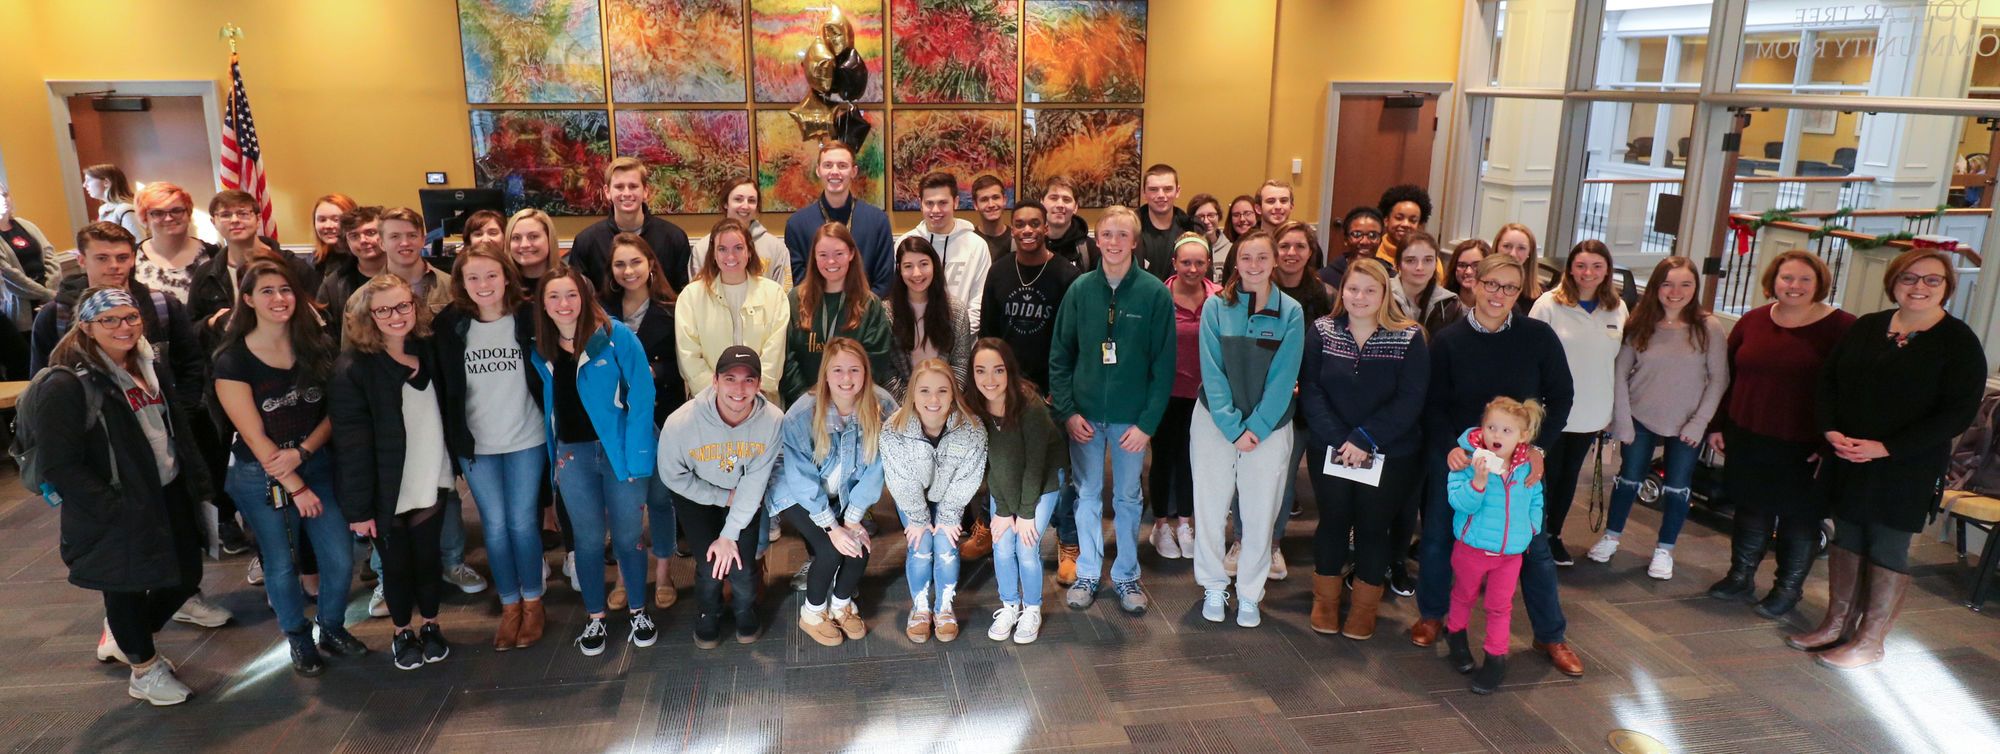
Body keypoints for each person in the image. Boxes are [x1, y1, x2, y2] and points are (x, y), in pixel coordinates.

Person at [1789, 249, 1985, 670]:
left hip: (1905, 465)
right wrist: (1831, 430)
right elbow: (1829, 382)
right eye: (1909, 278)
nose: (1919, 287)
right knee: (1848, 535)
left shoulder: (1959, 342)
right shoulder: (1868, 327)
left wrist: (1886, 447)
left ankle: (1870, 639)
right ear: (1894, 283)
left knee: (1887, 544)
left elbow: (1956, 413)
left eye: (1932, 280)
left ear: (1947, 288)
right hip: (1848, 455)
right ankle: (1837, 622)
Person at [39, 287, 214, 705]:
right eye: (110, 320)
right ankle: (143, 668)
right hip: (116, 504)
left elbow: (172, 427)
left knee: (185, 575)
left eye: (131, 317)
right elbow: (59, 464)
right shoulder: (68, 383)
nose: (124, 327)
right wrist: (111, 506)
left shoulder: (148, 363)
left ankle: (132, 640)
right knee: (126, 588)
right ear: (87, 327)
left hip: (165, 489)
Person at [1414, 254, 1585, 678]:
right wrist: (1447, 449)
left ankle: (1550, 633)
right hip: (1460, 460)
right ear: (1474, 283)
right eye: (1492, 284)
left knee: (1534, 547)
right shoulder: (1449, 340)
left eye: (1509, 287)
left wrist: (1540, 449)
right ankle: (1434, 615)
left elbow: (1562, 396)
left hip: (1520, 466)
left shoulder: (1538, 337)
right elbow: (1431, 404)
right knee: (1437, 536)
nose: (1499, 294)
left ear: (1520, 291)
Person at [210, 258, 358, 677]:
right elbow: (255, 438)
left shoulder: (316, 345)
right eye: (268, 291)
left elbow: (334, 412)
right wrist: (296, 485)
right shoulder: (232, 361)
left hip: (314, 462)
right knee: (280, 562)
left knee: (339, 557)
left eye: (286, 290)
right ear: (248, 300)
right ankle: (298, 638)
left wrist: (305, 453)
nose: (279, 299)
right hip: (260, 474)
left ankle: (331, 627)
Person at [1704, 251, 1856, 617]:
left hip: (1805, 444)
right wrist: (1718, 424)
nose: (1795, 286)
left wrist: (1829, 442)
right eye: (1787, 278)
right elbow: (1729, 376)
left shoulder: (1842, 327)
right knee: (1750, 510)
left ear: (1820, 283)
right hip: (1749, 434)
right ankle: (1740, 575)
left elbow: (1850, 389)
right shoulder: (1753, 321)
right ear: (1773, 280)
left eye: (1805, 279)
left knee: (1798, 520)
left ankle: (1787, 590)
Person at [528, 268, 659, 656]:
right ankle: (595, 618)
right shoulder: (542, 347)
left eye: (571, 295)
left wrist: (638, 457)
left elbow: (642, 397)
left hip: (618, 452)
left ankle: (638, 610)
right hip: (573, 455)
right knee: (585, 542)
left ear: (584, 297)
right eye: (553, 297)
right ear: (543, 304)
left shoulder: (616, 337)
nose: (563, 304)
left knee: (628, 538)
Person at [1050, 205, 1174, 615]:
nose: (1114, 242)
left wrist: (1147, 424)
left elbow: (1164, 366)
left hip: (1131, 422)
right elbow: (1060, 356)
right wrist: (1068, 412)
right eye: (1107, 234)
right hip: (1084, 417)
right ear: (1097, 240)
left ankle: (1125, 575)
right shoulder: (1081, 290)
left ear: (1135, 242)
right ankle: (1088, 571)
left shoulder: (1154, 293)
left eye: (1123, 235)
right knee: (1086, 495)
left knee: (1128, 497)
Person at [331, 274, 455, 670]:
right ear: (368, 316)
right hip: (386, 485)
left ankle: (432, 626)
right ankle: (403, 632)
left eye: (403, 305)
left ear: (415, 306)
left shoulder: (430, 347)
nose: (395, 315)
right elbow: (350, 444)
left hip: (429, 472)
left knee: (428, 559)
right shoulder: (352, 367)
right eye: (383, 309)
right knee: (395, 567)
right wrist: (359, 509)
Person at [1301, 257, 1429, 639]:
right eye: (1353, 289)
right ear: (1342, 292)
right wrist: (1343, 440)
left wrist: (1364, 439)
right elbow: (1311, 391)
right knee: (1333, 522)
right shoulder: (1322, 331)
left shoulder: (1410, 337)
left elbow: (1411, 400)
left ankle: (1364, 608)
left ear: (1384, 294)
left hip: (1390, 453)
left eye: (1370, 290)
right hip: (1331, 448)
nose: (1360, 297)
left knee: (1374, 527)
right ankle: (1324, 601)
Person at [437, 243, 549, 649]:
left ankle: (533, 603)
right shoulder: (449, 324)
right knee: (496, 527)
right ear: (462, 284)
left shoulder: (528, 316)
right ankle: (509, 605)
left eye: (491, 275)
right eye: (473, 278)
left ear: (506, 277)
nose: (483, 285)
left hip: (526, 437)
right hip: (477, 443)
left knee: (522, 523)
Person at [1586, 257, 1728, 580]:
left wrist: (1700, 422)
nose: (1675, 292)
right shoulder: (1641, 322)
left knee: (1678, 486)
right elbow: (1620, 373)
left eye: (1685, 284)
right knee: (1629, 478)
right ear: (1656, 287)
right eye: (1668, 284)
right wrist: (1621, 419)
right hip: (1640, 416)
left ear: (1695, 288)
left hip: (1687, 421)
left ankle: (1665, 549)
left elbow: (1719, 379)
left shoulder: (1709, 328)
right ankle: (1611, 536)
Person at [1190, 228, 1304, 628]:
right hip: (1214, 423)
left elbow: (1283, 376)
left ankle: (1251, 593)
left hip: (1269, 428)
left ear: (1274, 262)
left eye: (1261, 258)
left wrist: (1256, 426)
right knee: (1209, 505)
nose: (1253, 266)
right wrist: (1232, 426)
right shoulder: (1215, 308)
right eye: (1246, 258)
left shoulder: (1291, 311)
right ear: (1234, 262)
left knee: (1260, 512)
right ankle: (1213, 585)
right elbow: (1212, 371)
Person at [657, 345, 783, 647]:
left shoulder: (772, 421)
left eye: (748, 380)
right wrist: (720, 497)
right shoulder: (681, 423)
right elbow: (672, 476)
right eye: (730, 378)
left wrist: (729, 533)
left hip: (743, 494)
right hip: (696, 494)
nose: (739, 389)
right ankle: (708, 611)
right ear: (714, 381)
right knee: (709, 562)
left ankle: (744, 608)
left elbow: (755, 483)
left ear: (758, 384)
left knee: (740, 563)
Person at [774, 337, 896, 646]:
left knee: (858, 545)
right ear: (825, 375)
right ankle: (812, 613)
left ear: (866, 373)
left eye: (854, 370)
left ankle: (841, 605)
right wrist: (832, 526)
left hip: (846, 493)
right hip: (800, 494)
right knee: (829, 549)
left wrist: (852, 521)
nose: (846, 378)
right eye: (838, 370)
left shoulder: (881, 406)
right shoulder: (802, 414)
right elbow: (800, 479)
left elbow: (876, 468)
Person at [602, 233, 688, 612]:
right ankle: (624, 575)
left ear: (650, 263)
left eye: (635, 262)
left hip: (660, 414)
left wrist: (650, 371)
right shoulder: (602, 313)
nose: (628, 270)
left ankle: (665, 572)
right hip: (615, 420)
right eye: (620, 264)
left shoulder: (671, 310)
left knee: (659, 500)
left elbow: (682, 363)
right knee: (624, 504)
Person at [1243, 220, 1334, 579]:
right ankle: (1257, 542)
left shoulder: (1326, 295)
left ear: (1311, 252)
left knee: (1301, 478)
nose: (1291, 253)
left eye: (1300, 246)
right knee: (1266, 476)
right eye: (1285, 247)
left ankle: (1288, 545)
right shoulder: (1260, 291)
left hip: (1314, 400)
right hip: (1268, 399)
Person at [1528, 240, 1624, 567]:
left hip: (1593, 411)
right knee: (1544, 476)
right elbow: (1532, 358)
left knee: (1569, 477)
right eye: (1582, 265)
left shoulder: (1617, 308)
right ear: (1570, 268)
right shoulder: (1548, 304)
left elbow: (1619, 362)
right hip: (1551, 411)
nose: (1588, 273)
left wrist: (1614, 412)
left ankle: (1553, 535)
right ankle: (1532, 537)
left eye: (1597, 266)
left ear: (1607, 270)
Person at [1444, 397, 1548, 695]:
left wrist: (1530, 529)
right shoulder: (1467, 459)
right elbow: (1458, 502)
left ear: (1523, 437)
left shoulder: (1527, 466)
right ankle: (1456, 635)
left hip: (1510, 554)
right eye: (1491, 427)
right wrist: (1478, 481)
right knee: (1463, 595)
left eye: (1506, 430)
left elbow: (1536, 499)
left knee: (1500, 606)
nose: (1496, 435)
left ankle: (1495, 658)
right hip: (1472, 548)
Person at [883, 358, 988, 643]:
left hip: (949, 497)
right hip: (913, 498)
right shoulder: (894, 430)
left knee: (945, 544)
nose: (933, 399)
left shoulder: (972, 429)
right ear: (912, 394)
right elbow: (900, 481)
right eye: (925, 390)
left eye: (942, 391)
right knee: (921, 544)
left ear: (953, 393)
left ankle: (944, 607)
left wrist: (949, 517)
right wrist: (918, 520)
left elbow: (969, 477)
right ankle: (920, 607)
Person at [31, 223, 204, 393]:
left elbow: (191, 366)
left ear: (133, 259)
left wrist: (179, 414)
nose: (114, 265)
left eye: (122, 258)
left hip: (158, 411)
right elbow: (41, 381)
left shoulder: (163, 305)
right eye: (102, 258)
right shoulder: (56, 315)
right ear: (82, 260)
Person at [969, 339, 1065, 644]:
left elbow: (1034, 466)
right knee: (1001, 543)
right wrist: (1002, 511)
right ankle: (1010, 605)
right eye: (981, 371)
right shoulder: (975, 407)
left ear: (1009, 370)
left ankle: (1032, 608)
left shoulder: (1029, 405)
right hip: (1005, 480)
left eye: (998, 370)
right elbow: (990, 466)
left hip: (1043, 478)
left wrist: (1023, 514)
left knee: (1026, 545)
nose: (989, 379)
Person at [1151, 234, 1216, 560]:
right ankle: (1161, 525)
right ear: (1174, 263)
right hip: (1165, 393)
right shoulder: (1158, 297)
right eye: (1186, 262)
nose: (1192, 269)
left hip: (1203, 396)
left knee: (1193, 462)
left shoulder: (1218, 299)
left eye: (1199, 263)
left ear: (1208, 265)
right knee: (1163, 459)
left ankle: (1185, 523)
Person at [678, 218, 791, 403]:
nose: (731, 256)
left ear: (749, 251)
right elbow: (689, 356)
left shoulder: (774, 294)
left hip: (762, 401)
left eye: (738, 248)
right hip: (708, 403)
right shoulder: (691, 296)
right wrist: (720, 396)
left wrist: (750, 392)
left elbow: (774, 354)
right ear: (713, 254)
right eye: (722, 249)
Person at [781, 223, 892, 405]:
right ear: (814, 258)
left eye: (838, 254)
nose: (831, 262)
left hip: (855, 406)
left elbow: (876, 360)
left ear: (851, 254)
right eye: (823, 255)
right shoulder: (795, 299)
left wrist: (845, 400)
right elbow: (787, 357)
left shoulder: (870, 305)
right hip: (804, 407)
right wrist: (807, 400)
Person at [978, 200, 1078, 396]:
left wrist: (1060, 388)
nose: (1027, 230)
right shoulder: (998, 272)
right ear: (1012, 230)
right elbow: (988, 334)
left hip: (1050, 388)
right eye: (1020, 224)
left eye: (1034, 223)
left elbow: (1073, 340)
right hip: (1004, 385)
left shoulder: (1067, 275)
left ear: (1046, 228)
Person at [570, 157, 693, 296]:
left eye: (633, 186)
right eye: (619, 187)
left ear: (646, 191)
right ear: (607, 191)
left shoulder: (674, 238)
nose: (627, 193)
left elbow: (685, 295)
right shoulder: (586, 242)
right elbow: (580, 297)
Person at [785, 142, 894, 295]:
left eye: (842, 166)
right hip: (816, 313)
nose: (834, 172)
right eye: (828, 165)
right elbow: (800, 281)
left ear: (853, 171)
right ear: (818, 171)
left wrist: (862, 312)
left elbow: (884, 281)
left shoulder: (878, 221)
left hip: (867, 314)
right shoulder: (797, 225)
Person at [190, 190, 308, 331]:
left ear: (258, 219)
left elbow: (315, 317)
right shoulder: (206, 274)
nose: (235, 220)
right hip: (228, 350)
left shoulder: (293, 266)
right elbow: (191, 328)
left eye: (243, 213)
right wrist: (210, 323)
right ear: (213, 222)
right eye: (225, 215)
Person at [899, 171, 992, 332]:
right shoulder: (905, 243)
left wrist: (959, 336)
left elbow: (979, 301)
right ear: (920, 203)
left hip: (962, 341)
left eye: (943, 203)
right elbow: (898, 295)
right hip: (915, 339)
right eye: (929, 203)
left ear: (955, 202)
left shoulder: (977, 245)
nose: (935, 210)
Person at [884, 236, 972, 394]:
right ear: (899, 269)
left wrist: (943, 401)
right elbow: (887, 372)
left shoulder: (956, 311)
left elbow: (960, 366)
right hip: (901, 407)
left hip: (946, 404)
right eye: (908, 266)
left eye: (923, 264)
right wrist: (911, 406)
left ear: (934, 265)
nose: (916, 273)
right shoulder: (886, 313)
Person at [0, 181, 62, 379]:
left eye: (5, 194)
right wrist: (47, 294)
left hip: (49, 301)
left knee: (57, 357)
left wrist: (50, 288)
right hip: (23, 308)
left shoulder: (26, 225)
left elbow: (49, 254)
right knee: (31, 365)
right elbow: (10, 276)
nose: (3, 200)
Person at [689, 179, 792, 289]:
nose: (745, 206)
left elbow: (784, 294)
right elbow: (696, 294)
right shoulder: (702, 248)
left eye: (752, 201)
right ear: (725, 203)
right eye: (738, 199)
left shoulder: (776, 248)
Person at [132, 182, 218, 307]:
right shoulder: (130, 258)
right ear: (145, 218)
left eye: (176, 210)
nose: (168, 218)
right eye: (158, 213)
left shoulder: (214, 254)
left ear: (188, 213)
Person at [317, 206, 387, 328]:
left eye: (370, 233)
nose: (363, 240)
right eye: (354, 236)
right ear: (346, 242)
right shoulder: (333, 285)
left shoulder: (407, 273)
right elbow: (325, 334)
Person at [380, 208, 455, 314]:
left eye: (412, 235)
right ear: (381, 243)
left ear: (423, 240)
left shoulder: (452, 287)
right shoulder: (363, 297)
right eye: (395, 236)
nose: (405, 243)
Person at [1136, 164, 1202, 281]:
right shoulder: (1130, 229)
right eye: (1153, 189)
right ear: (1143, 193)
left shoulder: (1194, 229)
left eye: (1167, 189)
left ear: (1177, 191)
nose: (1161, 195)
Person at [1390, 232, 1462, 335]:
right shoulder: (1381, 295)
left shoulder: (1450, 303)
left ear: (1436, 264)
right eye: (1410, 260)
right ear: (1398, 264)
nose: (1420, 267)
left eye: (1428, 260)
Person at [1317, 207, 1384, 288]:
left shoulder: (1389, 276)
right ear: (1346, 239)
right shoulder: (1324, 278)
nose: (1365, 241)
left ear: (1380, 240)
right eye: (1357, 234)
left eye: (1373, 235)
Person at [1041, 176, 1097, 272]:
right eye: (1053, 198)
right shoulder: (1030, 244)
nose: (1060, 205)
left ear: (1075, 207)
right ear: (1041, 203)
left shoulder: (1090, 249)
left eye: (1066, 200)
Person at [506, 208, 562, 296]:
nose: (524, 244)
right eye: (516, 238)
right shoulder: (502, 287)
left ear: (549, 239)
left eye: (533, 237)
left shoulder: (573, 282)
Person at [1376, 185, 1432, 268]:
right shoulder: (1372, 254)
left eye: (1412, 220)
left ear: (1420, 225)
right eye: (1399, 218)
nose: (1405, 224)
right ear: (1386, 220)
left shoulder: (1429, 259)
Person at [84, 163, 143, 239]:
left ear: (106, 182)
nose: (84, 185)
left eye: (88, 180)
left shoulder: (126, 210)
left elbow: (139, 243)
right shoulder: (103, 209)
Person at [309, 193, 361, 280]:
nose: (328, 225)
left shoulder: (365, 260)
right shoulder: (312, 261)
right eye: (322, 220)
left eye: (336, 220)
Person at [1492, 224, 1542, 306]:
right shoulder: (1480, 283)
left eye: (1521, 248)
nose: (1513, 254)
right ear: (1496, 247)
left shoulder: (1540, 296)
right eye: (1506, 246)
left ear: (1529, 253)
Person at [1185, 193, 1227, 278]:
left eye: (1211, 215)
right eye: (1200, 216)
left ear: (1219, 216)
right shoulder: (1184, 250)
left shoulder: (1230, 249)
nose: (1206, 221)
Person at [970, 175, 1012, 258]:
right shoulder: (969, 240)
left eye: (996, 198)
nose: (991, 205)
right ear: (975, 205)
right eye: (984, 200)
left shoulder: (1016, 239)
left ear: (1004, 200)